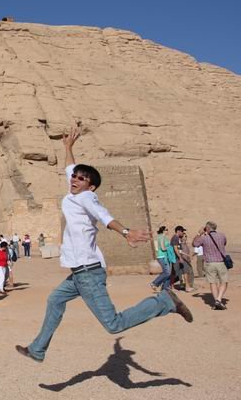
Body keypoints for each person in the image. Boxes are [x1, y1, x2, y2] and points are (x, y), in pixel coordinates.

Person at [15, 124, 192, 364]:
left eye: (81, 179)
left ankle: (164, 301)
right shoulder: (75, 191)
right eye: (75, 177)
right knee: (54, 300)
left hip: (87, 273)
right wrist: (68, 146)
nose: (75, 180)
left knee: (113, 324)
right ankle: (38, 349)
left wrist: (126, 232)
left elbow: (104, 216)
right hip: (79, 274)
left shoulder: (87, 197)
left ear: (92, 186)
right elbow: (70, 168)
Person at [193, 221, 229, 310]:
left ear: (207, 228)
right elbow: (224, 244)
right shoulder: (222, 235)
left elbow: (195, 244)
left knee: (213, 282)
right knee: (224, 281)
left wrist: (199, 233)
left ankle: (216, 300)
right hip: (220, 262)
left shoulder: (204, 238)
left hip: (209, 263)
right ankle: (219, 299)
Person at [171, 226, 195, 292]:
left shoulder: (177, 238)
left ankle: (187, 287)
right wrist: (180, 257)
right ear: (178, 231)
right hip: (176, 258)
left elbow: (179, 250)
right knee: (174, 273)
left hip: (178, 258)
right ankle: (171, 287)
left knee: (185, 271)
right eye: (182, 231)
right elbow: (175, 249)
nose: (183, 233)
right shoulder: (175, 238)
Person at [150, 226, 173, 292]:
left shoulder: (161, 237)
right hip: (162, 257)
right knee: (167, 273)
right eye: (166, 230)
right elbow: (163, 248)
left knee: (168, 273)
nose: (167, 231)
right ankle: (154, 283)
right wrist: (170, 248)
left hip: (164, 257)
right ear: (163, 231)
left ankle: (164, 289)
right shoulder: (162, 237)